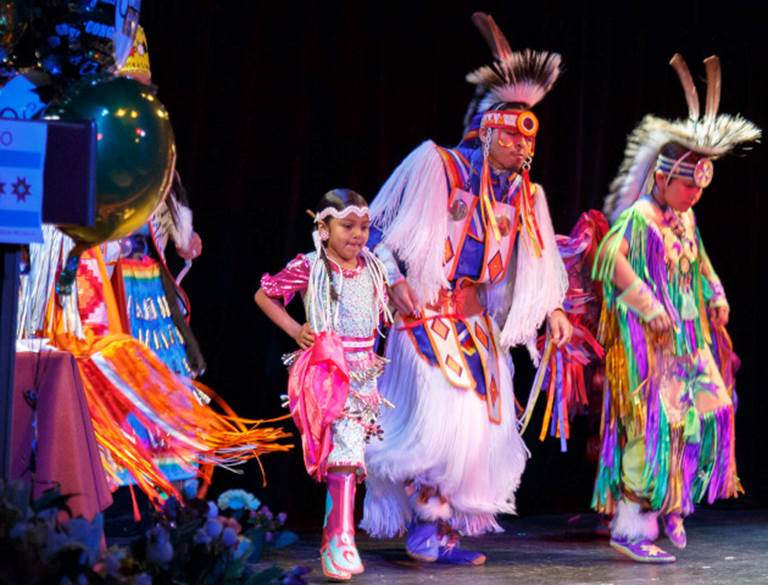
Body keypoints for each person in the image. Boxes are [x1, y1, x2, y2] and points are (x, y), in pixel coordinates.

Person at [360, 13, 572, 565]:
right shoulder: (439, 166)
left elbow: (540, 267)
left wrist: (551, 310)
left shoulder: (526, 198)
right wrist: (397, 280)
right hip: (425, 315)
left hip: (474, 324)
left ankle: (443, 531)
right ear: (488, 130)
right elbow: (379, 231)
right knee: (438, 425)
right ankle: (425, 530)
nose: (524, 150)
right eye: (513, 136)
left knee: (479, 432)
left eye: (530, 140)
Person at [592, 54, 760, 563]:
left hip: (689, 340)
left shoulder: (685, 220)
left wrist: (717, 295)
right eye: (688, 185)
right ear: (663, 178)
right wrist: (645, 303)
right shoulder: (642, 216)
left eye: (700, 187)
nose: (693, 195)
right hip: (652, 345)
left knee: (708, 409)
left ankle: (674, 502)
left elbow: (702, 263)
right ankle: (633, 525)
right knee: (651, 425)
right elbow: (608, 259)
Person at [255, 189, 392, 581]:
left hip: (363, 370)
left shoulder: (374, 266)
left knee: (350, 455)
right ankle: (338, 539)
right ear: (323, 226)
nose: (357, 235)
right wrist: (297, 329)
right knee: (344, 454)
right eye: (347, 226)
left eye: (364, 227)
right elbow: (265, 295)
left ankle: (339, 536)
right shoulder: (311, 265)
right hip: (328, 368)